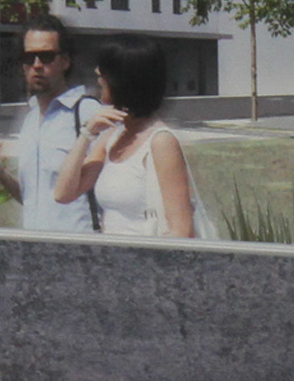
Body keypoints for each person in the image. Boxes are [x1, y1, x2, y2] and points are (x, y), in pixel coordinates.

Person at [56, 36, 199, 237]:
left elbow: (182, 230)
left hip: (145, 254)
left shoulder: (160, 142)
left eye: (105, 71)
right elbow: (63, 193)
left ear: (123, 80)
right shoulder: (111, 137)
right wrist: (86, 134)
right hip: (112, 254)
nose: (97, 73)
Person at [0, 15, 97, 232]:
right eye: (29, 57)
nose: (37, 65)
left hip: (79, 245)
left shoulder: (88, 112)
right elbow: (30, 197)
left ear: (65, 61)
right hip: (35, 246)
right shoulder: (31, 119)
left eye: (47, 56)